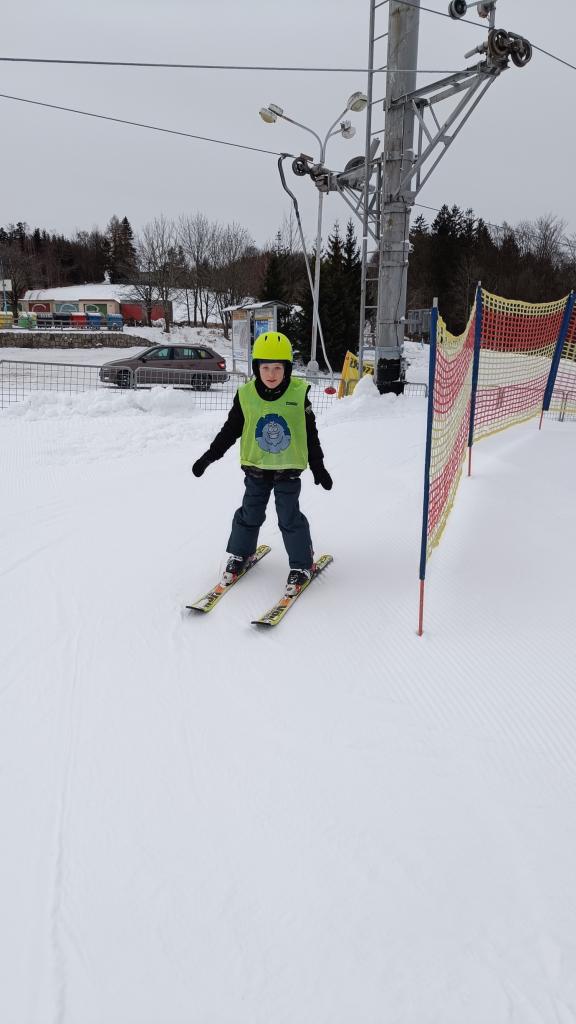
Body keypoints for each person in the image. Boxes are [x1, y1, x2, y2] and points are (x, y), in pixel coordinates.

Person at [192, 331, 333, 596]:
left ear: (287, 368)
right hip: (256, 469)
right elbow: (230, 431)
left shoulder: (298, 394)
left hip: (287, 470)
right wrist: (209, 456)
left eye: (277, 367)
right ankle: (240, 553)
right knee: (249, 514)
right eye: (265, 367)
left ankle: (302, 565)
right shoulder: (246, 395)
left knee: (289, 517)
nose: (271, 374)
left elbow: (310, 434)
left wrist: (319, 467)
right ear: (256, 367)